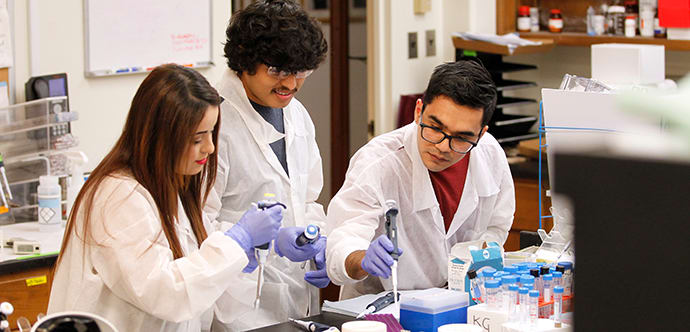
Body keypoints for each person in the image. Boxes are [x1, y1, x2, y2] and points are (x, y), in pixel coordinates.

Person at [48, 64, 284, 331]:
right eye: (197, 139)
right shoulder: (119, 196)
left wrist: (246, 252)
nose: (209, 147)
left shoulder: (171, 186)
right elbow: (166, 292)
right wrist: (237, 241)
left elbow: (196, 274)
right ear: (161, 137)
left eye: (211, 133)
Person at [325, 60, 516, 299]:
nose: (443, 147)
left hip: (458, 304)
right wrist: (363, 259)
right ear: (418, 111)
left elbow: (497, 226)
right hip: (383, 310)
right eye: (436, 127)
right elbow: (342, 240)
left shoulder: (489, 153)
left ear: (481, 134)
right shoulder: (378, 162)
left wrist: (476, 257)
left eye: (461, 138)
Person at [204, 0, 329, 329]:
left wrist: (318, 241)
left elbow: (307, 197)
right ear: (244, 61)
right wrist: (257, 239)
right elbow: (195, 224)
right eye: (277, 70)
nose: (291, 84)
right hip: (236, 299)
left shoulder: (297, 114)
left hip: (296, 293)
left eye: (301, 72)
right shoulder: (213, 122)